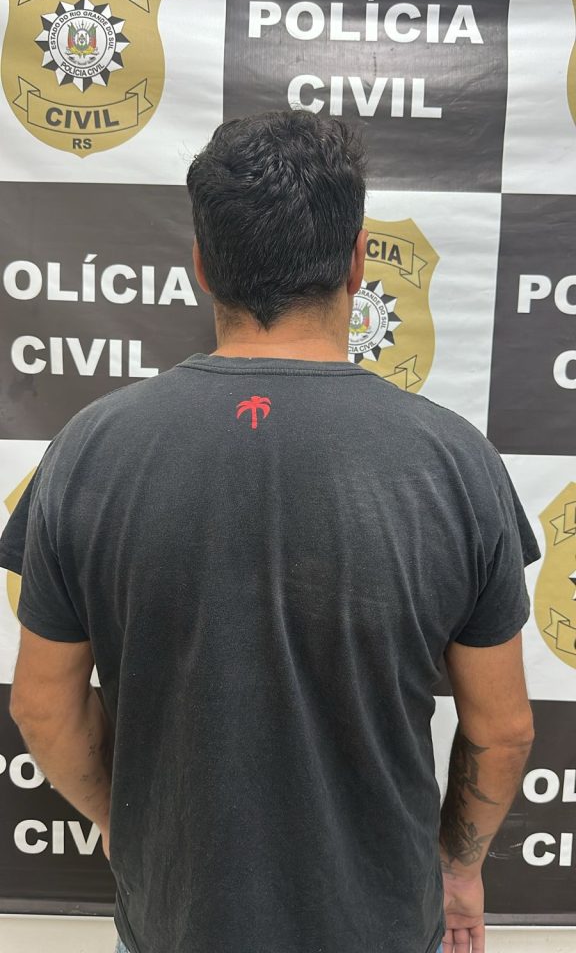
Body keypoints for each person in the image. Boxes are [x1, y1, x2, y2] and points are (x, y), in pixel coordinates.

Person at [0, 110, 539, 953]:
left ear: (202, 264)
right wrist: (459, 867)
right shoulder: (455, 462)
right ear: (359, 260)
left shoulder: (87, 451)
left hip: (175, 923)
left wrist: (120, 824)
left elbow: (41, 705)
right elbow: (502, 731)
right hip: (383, 925)